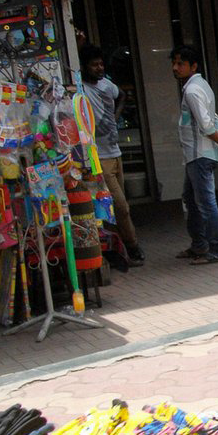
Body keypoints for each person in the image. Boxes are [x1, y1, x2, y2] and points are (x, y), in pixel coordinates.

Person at [171, 47, 218, 266]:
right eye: (175, 63)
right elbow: (212, 119)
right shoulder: (200, 86)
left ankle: (216, 250)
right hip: (197, 154)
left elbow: (207, 124)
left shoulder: (192, 91)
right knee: (191, 199)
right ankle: (199, 244)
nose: (175, 67)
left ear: (193, 66)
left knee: (205, 203)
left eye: (181, 63)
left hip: (199, 154)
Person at [79, 46, 143, 270]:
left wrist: (114, 118)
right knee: (120, 206)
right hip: (100, 156)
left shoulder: (107, 85)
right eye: (94, 65)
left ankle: (121, 250)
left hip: (115, 153)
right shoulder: (81, 89)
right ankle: (132, 247)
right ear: (84, 67)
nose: (99, 68)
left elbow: (122, 94)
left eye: (101, 64)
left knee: (117, 206)